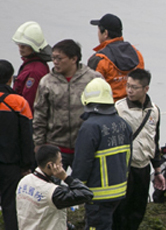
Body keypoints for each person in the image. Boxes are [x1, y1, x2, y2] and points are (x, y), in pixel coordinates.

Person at [73, 78, 132, 230]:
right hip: (119, 190)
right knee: (95, 226)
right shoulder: (123, 124)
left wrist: (76, 188)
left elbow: (82, 162)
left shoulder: (90, 126)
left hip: (98, 193)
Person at [112, 68, 163, 230]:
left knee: (137, 211)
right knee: (120, 212)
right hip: (124, 167)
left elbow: (154, 140)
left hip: (143, 167)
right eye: (128, 86)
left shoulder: (154, 111)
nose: (130, 91)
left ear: (146, 88)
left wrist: (157, 170)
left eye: (134, 87)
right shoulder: (118, 108)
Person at [32, 39, 102, 167]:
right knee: (51, 185)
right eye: (53, 58)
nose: (55, 62)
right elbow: (39, 115)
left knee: (81, 185)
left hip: (84, 147)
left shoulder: (93, 79)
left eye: (59, 58)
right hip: (54, 146)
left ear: (74, 59)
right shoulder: (47, 82)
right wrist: (39, 143)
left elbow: (102, 112)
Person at [0, 60, 34, 230]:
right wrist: (26, 165)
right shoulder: (19, 103)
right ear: (11, 78)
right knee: (11, 207)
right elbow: (26, 138)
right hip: (11, 165)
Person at [88, 13, 145, 102]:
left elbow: (91, 90)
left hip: (108, 110)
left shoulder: (99, 60)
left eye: (99, 31)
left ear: (105, 33)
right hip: (133, 108)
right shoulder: (137, 54)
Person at [11, 21, 51, 109]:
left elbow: (28, 101)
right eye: (19, 45)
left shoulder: (34, 71)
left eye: (23, 46)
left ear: (33, 47)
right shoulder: (33, 65)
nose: (20, 49)